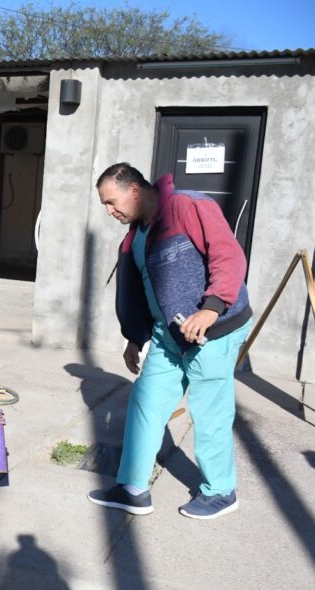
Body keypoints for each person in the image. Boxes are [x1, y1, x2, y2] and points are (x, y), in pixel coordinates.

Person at [89, 163, 252, 520]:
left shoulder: (188, 206)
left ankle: (221, 491)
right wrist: (135, 336)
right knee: (145, 402)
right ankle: (133, 488)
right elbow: (145, 291)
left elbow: (228, 256)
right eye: (104, 205)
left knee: (209, 409)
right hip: (168, 336)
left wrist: (212, 308)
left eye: (111, 202)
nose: (109, 211)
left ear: (134, 190)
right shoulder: (135, 236)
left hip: (213, 329)